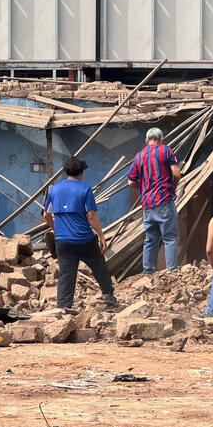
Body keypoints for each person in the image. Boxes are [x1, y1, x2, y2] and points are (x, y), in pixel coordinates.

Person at [43, 156, 117, 309]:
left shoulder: (54, 190)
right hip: (84, 239)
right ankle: (108, 295)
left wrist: (56, 231)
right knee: (98, 265)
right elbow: (91, 215)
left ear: (66, 172)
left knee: (66, 275)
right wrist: (101, 235)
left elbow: (46, 215)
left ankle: (63, 306)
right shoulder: (85, 189)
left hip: (63, 242)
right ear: (81, 173)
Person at [127, 127, 181, 273]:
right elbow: (176, 173)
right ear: (161, 139)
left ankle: (148, 271)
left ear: (146, 141)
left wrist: (143, 187)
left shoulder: (139, 156)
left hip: (147, 204)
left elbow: (131, 181)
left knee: (150, 239)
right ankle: (171, 271)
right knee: (170, 238)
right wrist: (172, 187)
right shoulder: (165, 150)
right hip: (164, 199)